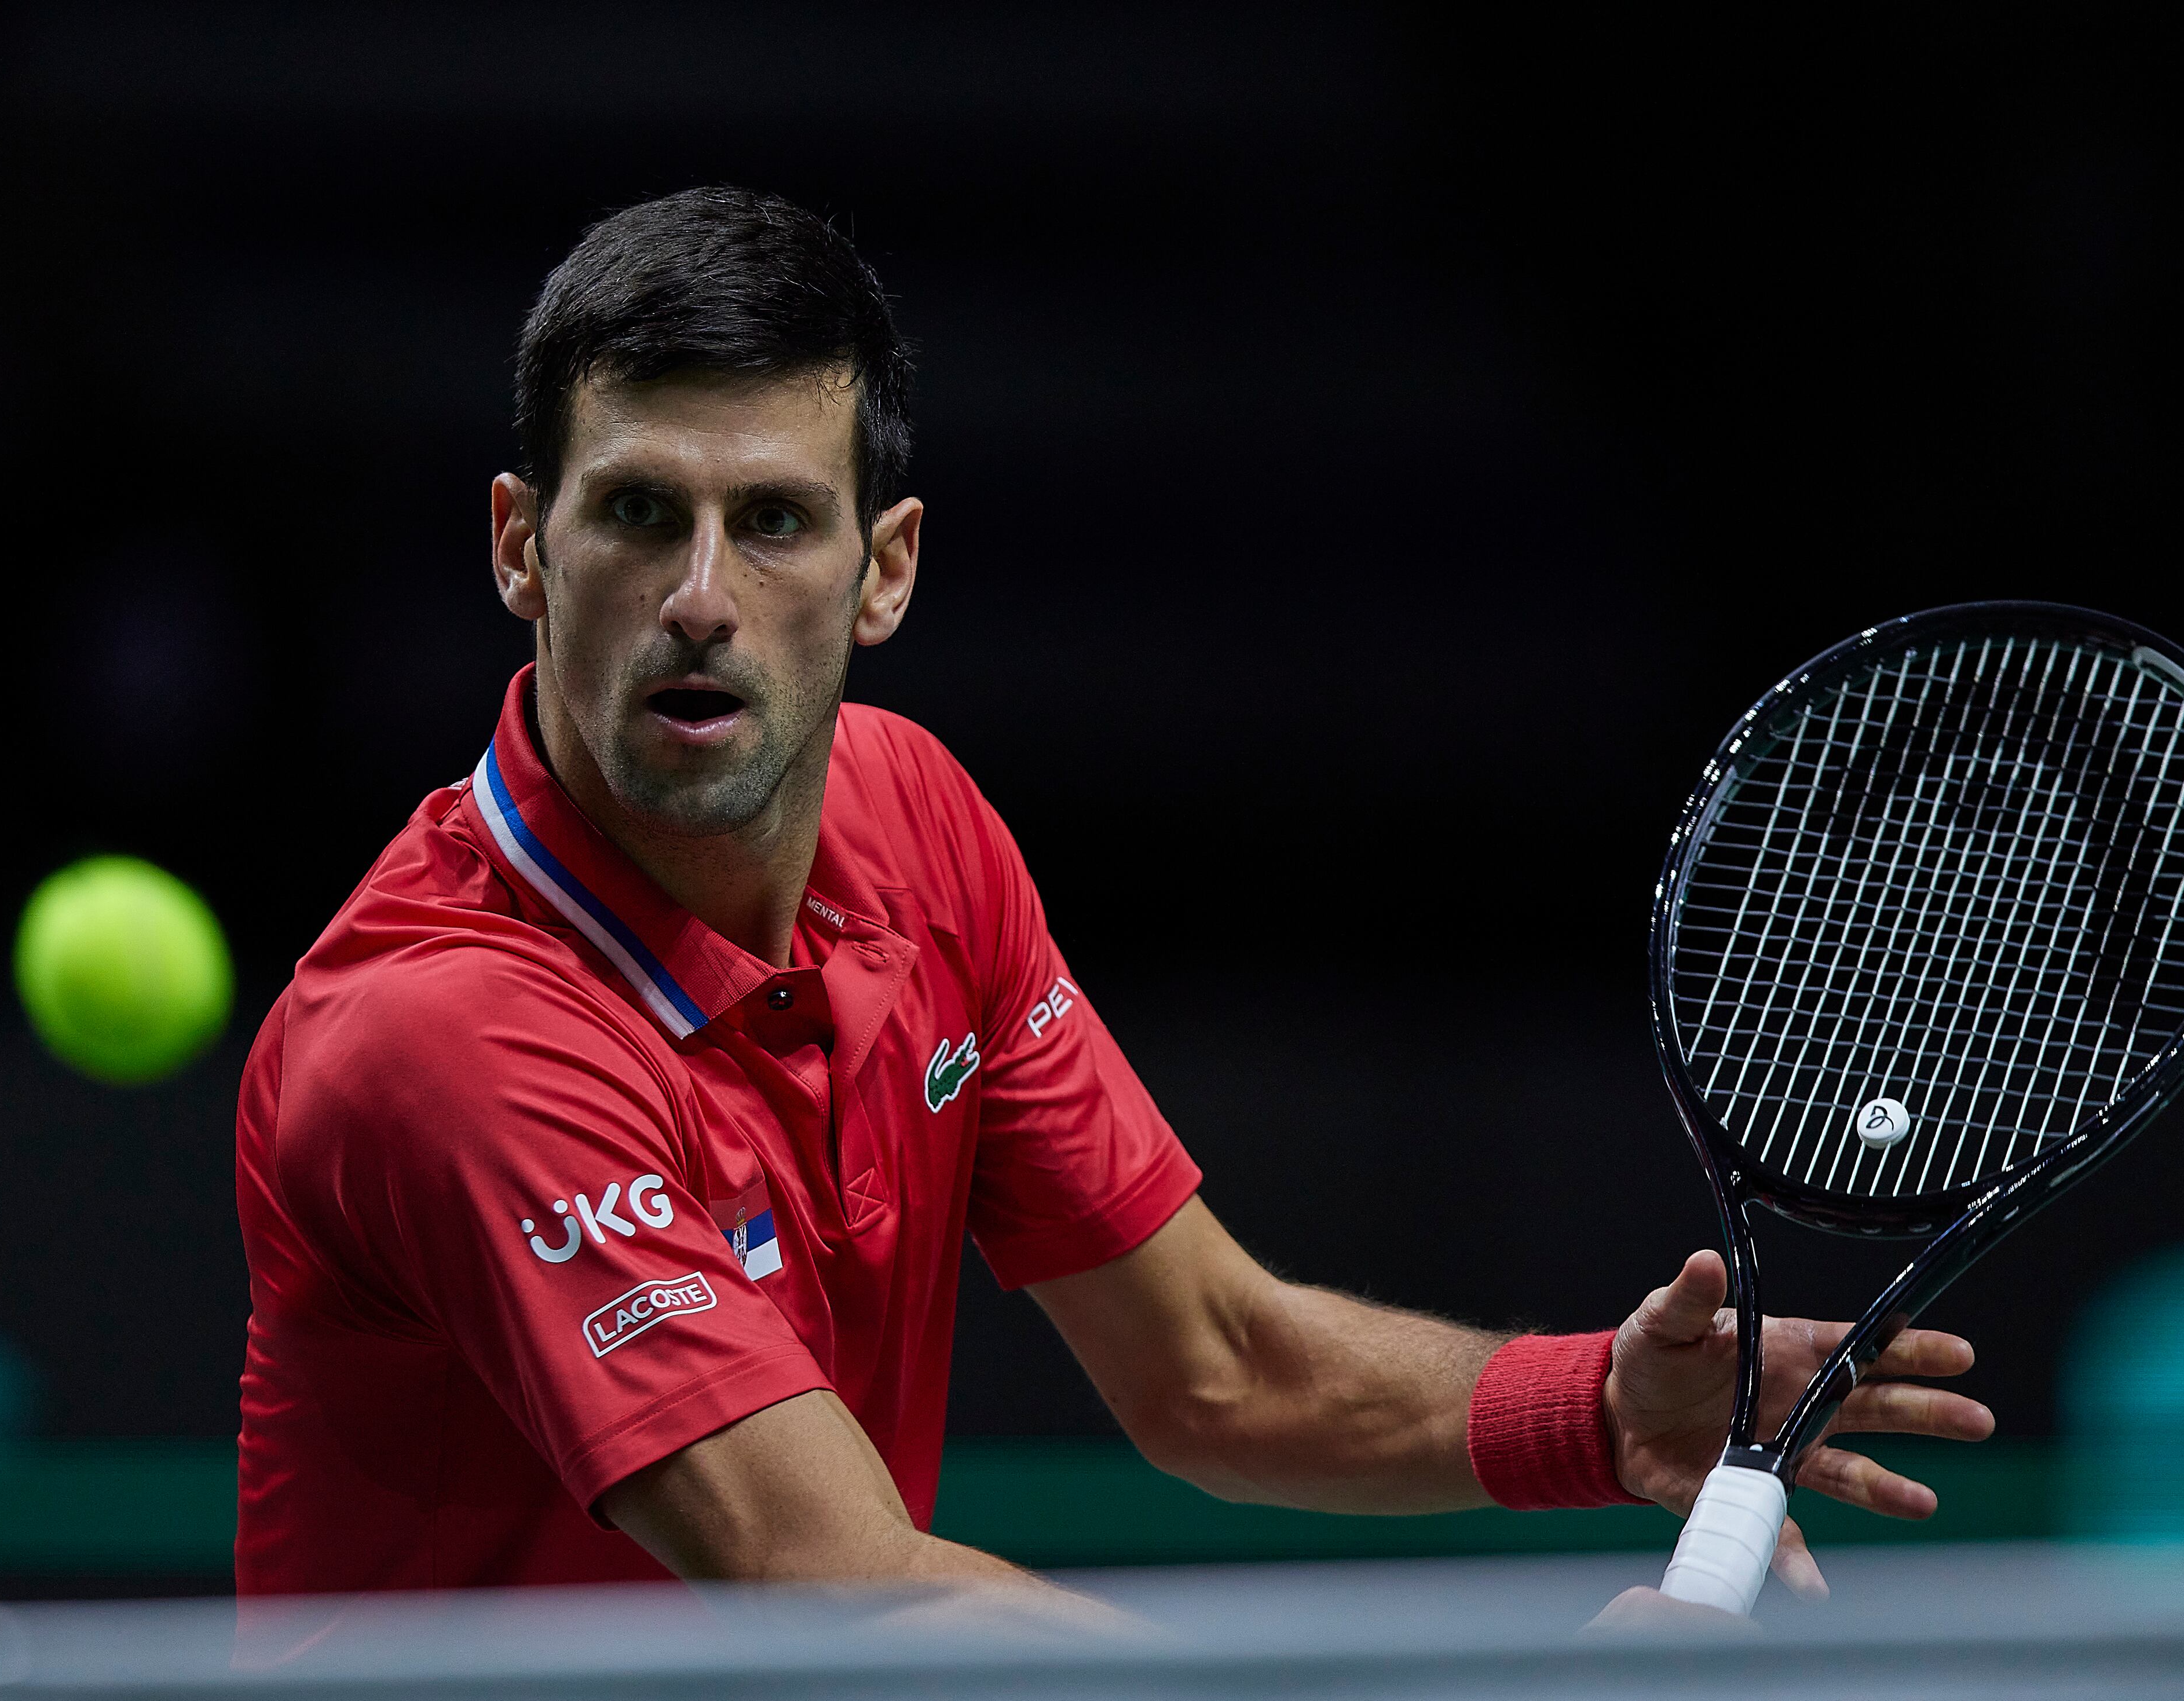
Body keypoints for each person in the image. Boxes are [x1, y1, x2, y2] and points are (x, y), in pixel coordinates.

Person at [232, 187, 1990, 1622]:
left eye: (772, 520)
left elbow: (1211, 1366)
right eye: (636, 516)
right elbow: (828, 1583)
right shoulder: (444, 1029)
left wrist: (1591, 1409)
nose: (700, 596)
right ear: (521, 549)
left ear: (885, 570)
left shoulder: (913, 828)